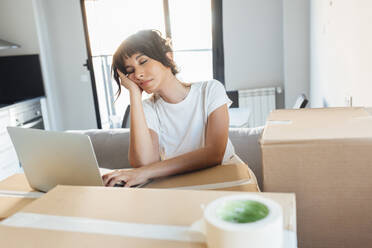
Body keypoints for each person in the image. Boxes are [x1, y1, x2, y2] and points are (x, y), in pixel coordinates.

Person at [102, 29, 237, 187]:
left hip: (228, 178)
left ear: (168, 56)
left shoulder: (210, 90)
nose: (137, 74)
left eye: (143, 61)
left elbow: (215, 153)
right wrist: (134, 94)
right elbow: (143, 162)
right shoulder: (147, 108)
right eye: (130, 71)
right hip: (185, 185)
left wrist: (145, 173)